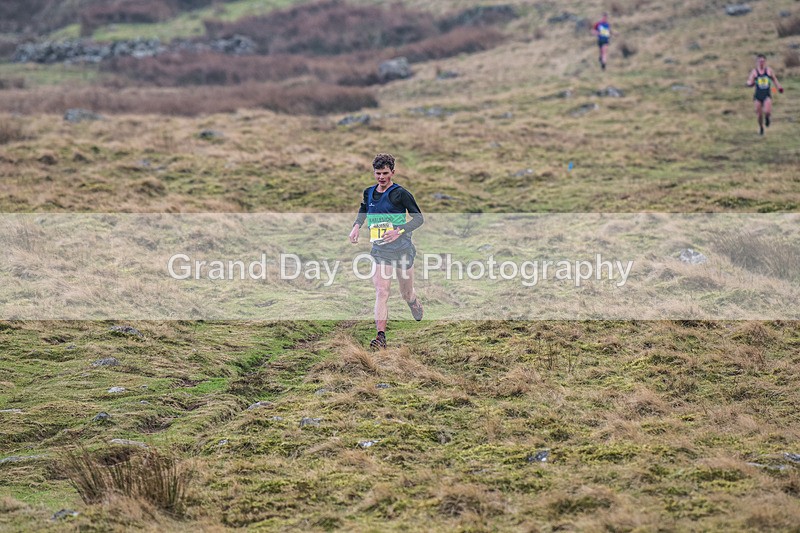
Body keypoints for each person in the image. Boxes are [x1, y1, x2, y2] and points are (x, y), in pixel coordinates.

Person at [349, 153, 424, 350]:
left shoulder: (401, 194)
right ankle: (381, 337)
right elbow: (364, 208)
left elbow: (419, 219)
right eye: (378, 173)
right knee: (382, 291)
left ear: (393, 172)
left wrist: (399, 231)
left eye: (385, 173)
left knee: (405, 293)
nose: (381, 177)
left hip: (403, 250)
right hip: (380, 250)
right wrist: (357, 225)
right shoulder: (369, 192)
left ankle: (413, 301)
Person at [746, 54, 784, 136]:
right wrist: (749, 84)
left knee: (767, 111)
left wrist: (779, 88)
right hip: (758, 95)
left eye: (763, 61)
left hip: (767, 94)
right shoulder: (754, 72)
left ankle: (767, 118)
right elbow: (749, 81)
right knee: (759, 115)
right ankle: (761, 127)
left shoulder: (769, 71)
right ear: (757, 62)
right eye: (759, 61)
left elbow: (774, 80)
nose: (761, 63)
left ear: (765, 62)